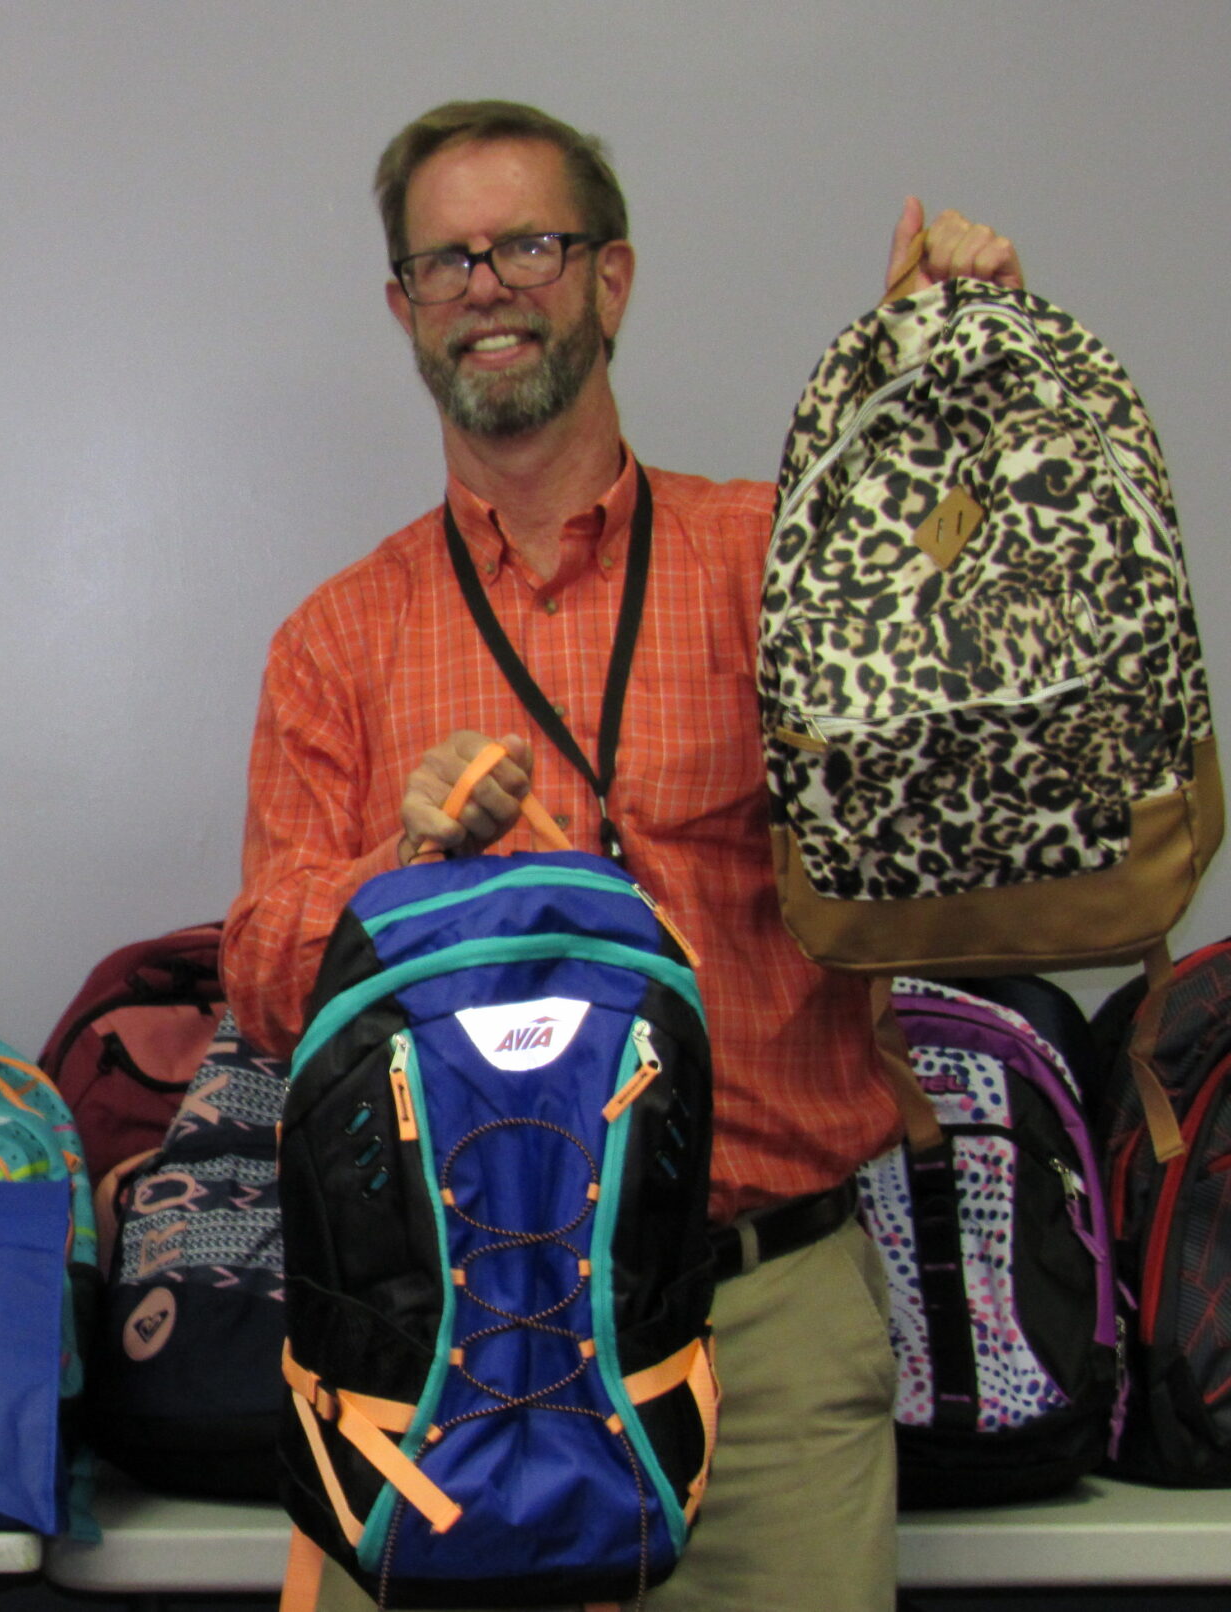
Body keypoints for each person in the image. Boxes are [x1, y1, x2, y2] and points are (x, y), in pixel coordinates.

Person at [222, 102, 1021, 1612]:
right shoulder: (338, 641)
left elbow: (960, 742)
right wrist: (394, 871)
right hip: (466, 1352)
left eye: (529, 243)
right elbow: (265, 974)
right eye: (447, 260)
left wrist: (948, 381)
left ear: (613, 278)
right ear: (404, 307)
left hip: (769, 1329)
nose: (488, 286)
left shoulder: (774, 561)